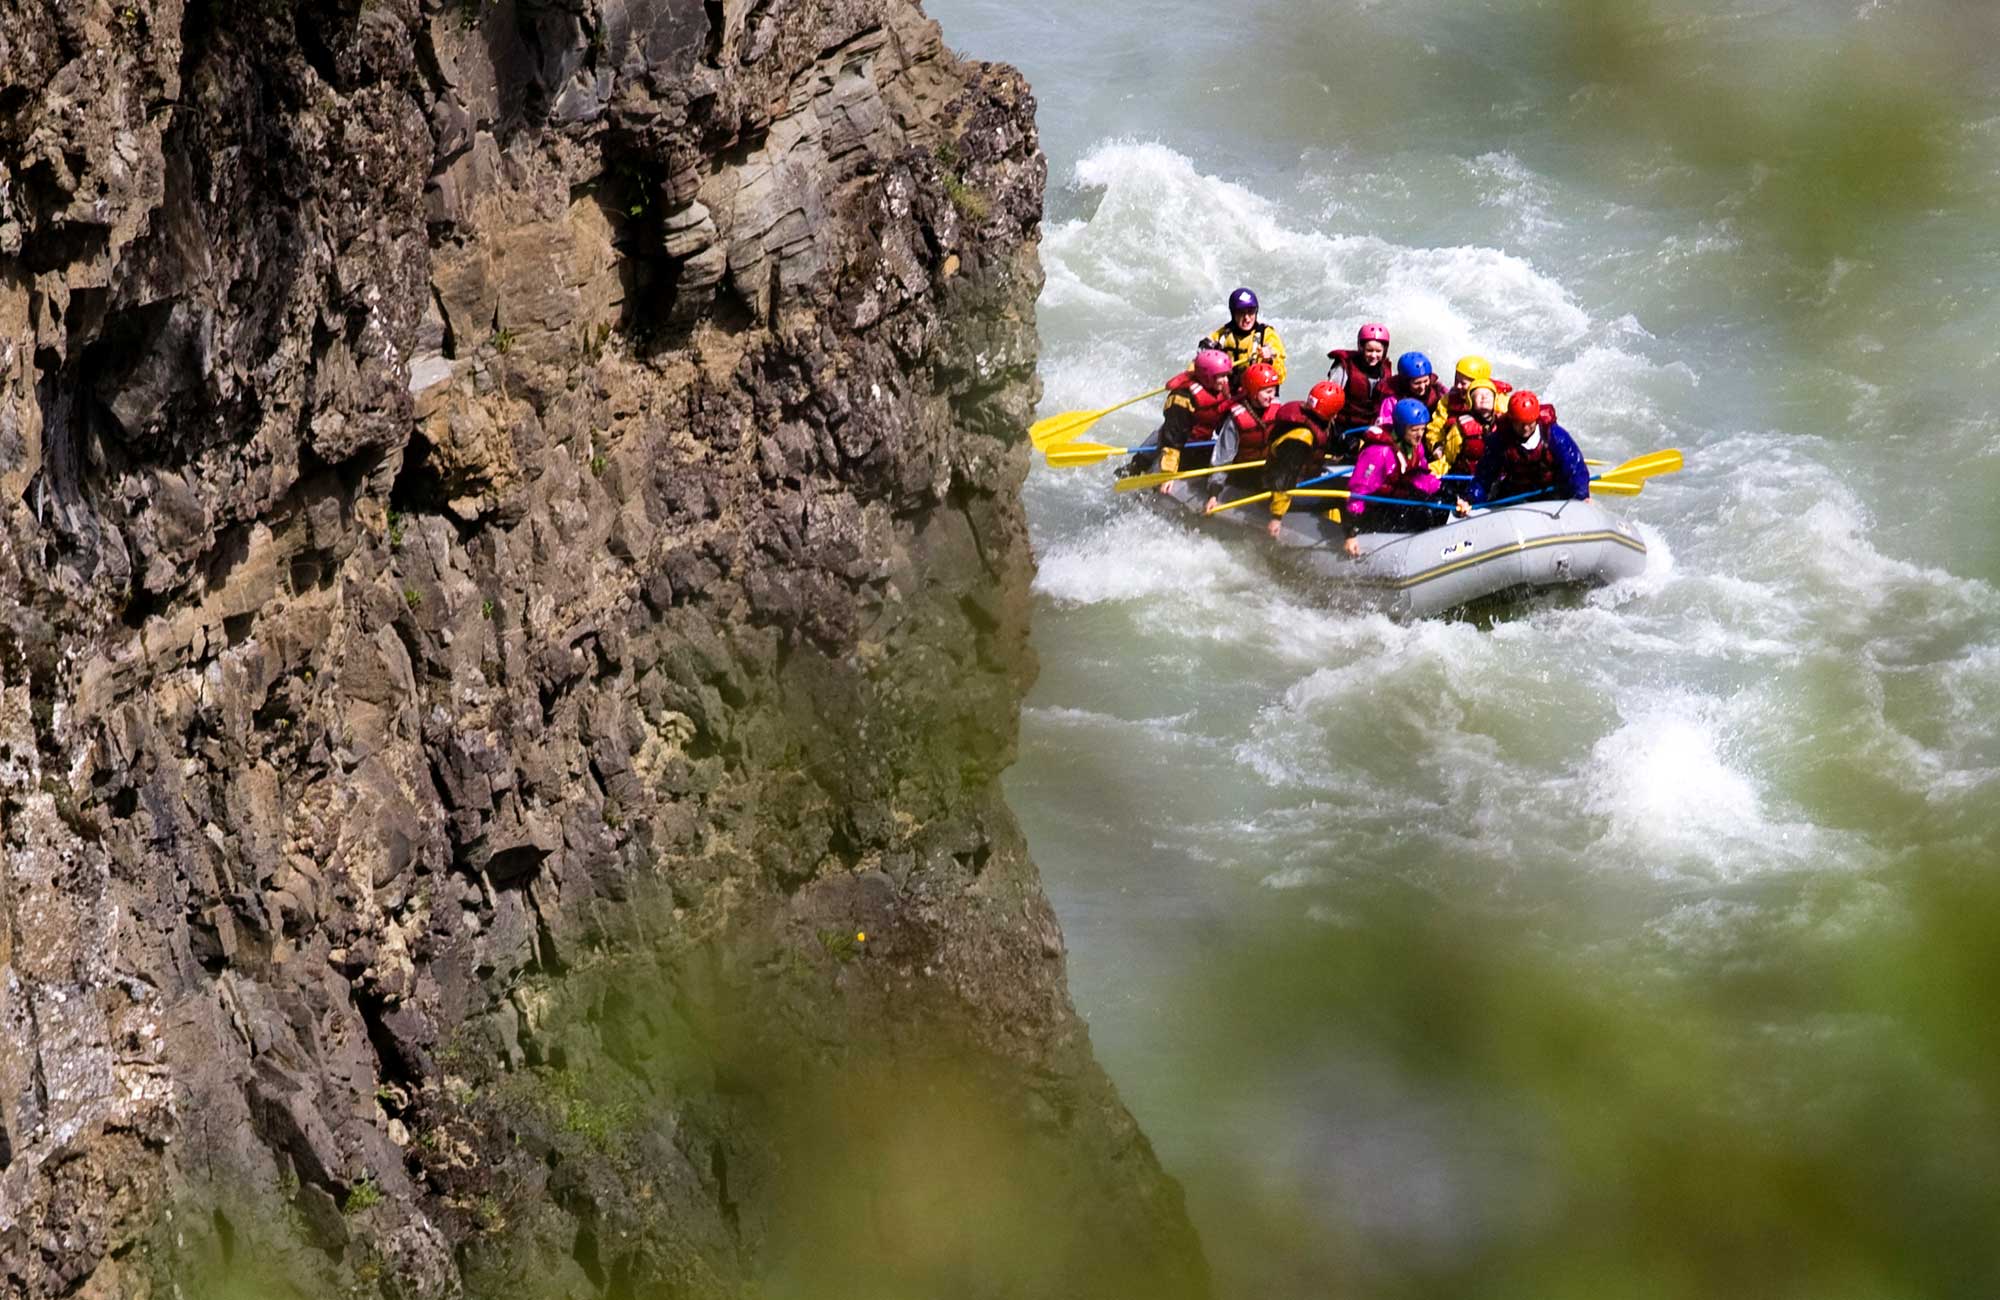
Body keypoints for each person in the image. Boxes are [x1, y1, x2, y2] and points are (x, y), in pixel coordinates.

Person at [1454, 390, 1591, 516]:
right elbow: (1484, 476)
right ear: (1512, 419)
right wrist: (1470, 499)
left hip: (1553, 491)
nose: (1525, 428)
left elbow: (1575, 468)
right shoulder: (1500, 439)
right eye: (1520, 423)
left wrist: (1581, 496)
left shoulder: (1555, 436)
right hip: (1517, 493)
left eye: (1529, 423)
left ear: (1536, 419)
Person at [1342, 397, 1444, 557]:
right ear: (1401, 428)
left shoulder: (1415, 447)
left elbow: (1423, 478)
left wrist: (1451, 496)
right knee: (1424, 513)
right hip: (1375, 510)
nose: (1419, 435)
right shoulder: (1379, 453)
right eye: (1414, 430)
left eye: (1422, 429)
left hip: (1397, 502)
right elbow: (1359, 492)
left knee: (1437, 507)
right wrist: (1350, 533)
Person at [1253, 381, 1347, 538]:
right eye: (1336, 412)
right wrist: (1277, 516)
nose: (1337, 416)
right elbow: (1284, 475)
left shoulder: (1315, 419)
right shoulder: (1300, 438)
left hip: (1300, 480)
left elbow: (1325, 441)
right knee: (1341, 494)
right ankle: (1344, 537)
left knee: (1336, 481)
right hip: (1280, 491)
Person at [1148, 347, 1236, 478]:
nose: (1226, 380)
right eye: (1221, 376)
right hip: (1180, 448)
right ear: (1207, 377)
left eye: (1226, 375)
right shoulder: (1183, 398)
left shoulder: (1220, 389)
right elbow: (1174, 437)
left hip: (1202, 445)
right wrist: (1168, 474)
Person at [1203, 362, 1282, 509]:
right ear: (1253, 391)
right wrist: (1214, 493)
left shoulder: (1277, 409)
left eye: (1273, 391)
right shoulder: (1235, 419)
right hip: (1241, 474)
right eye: (1267, 392)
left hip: (1266, 471)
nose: (1272, 396)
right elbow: (1223, 458)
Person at [1325, 323, 1394, 441]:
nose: (1374, 355)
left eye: (1378, 351)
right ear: (1361, 348)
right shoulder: (1345, 367)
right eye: (1369, 350)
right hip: (1343, 427)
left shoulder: (1386, 370)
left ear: (1384, 351)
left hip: (1371, 427)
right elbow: (1329, 398)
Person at [1207, 288, 1287, 387]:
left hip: (1256, 390)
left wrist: (1270, 360)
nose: (1247, 318)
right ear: (1233, 313)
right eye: (1241, 312)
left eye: (1251, 312)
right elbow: (1203, 355)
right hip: (1229, 390)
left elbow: (1280, 376)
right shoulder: (1223, 334)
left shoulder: (1267, 335)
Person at [1428, 377, 1499, 478]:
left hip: (1495, 479)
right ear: (1470, 401)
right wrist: (1431, 472)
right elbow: (1447, 460)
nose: (1484, 397)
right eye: (1478, 395)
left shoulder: (1503, 424)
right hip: (1465, 479)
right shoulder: (1460, 427)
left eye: (1488, 394)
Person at [1373, 351, 1445, 428]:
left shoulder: (1438, 390)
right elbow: (1385, 424)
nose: (1422, 387)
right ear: (1405, 382)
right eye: (1417, 383)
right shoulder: (1392, 400)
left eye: (1425, 381)